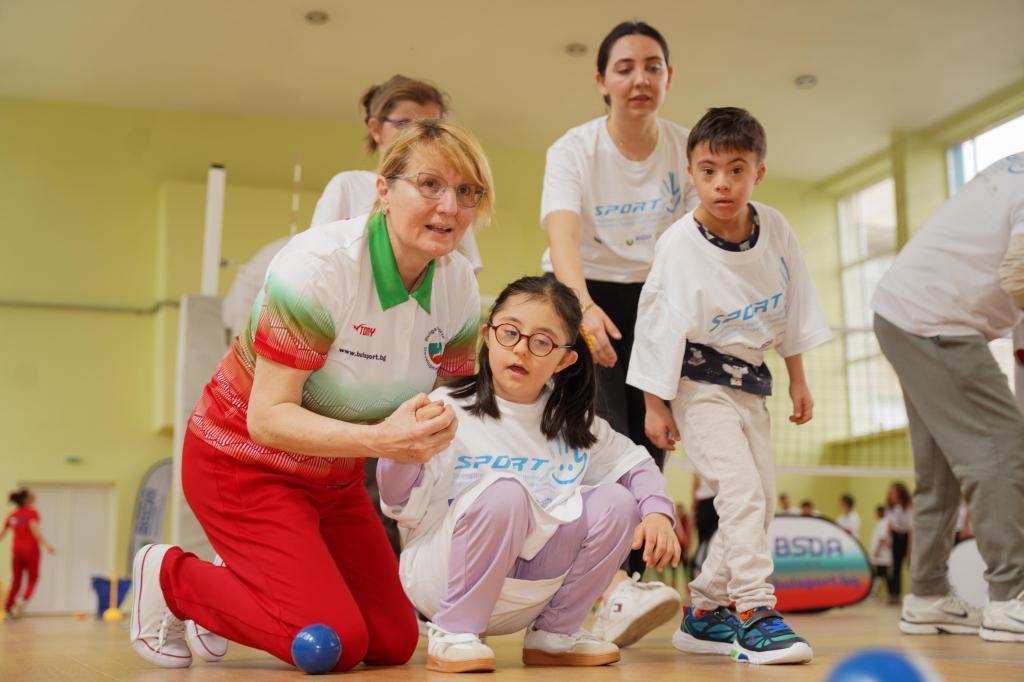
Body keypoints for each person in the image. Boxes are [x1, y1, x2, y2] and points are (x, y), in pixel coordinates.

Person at [128, 120, 495, 671]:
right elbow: (268, 419)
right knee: (335, 644)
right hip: (242, 463)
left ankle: (232, 592)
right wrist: (381, 440)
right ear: (383, 189)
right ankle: (172, 579)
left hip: (332, 479)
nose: (450, 207)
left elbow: (454, 406)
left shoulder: (458, 283)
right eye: (430, 184)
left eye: (467, 191)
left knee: (393, 642)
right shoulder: (320, 267)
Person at [378, 276, 681, 672]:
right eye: (510, 333)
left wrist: (658, 512)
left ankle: (555, 634)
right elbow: (396, 502)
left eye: (542, 342)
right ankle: (454, 632)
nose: (521, 349)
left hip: (526, 592)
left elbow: (635, 464)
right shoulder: (444, 408)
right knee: (506, 493)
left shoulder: (572, 422)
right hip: (442, 579)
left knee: (619, 502)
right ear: (488, 336)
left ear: (565, 360)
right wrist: (397, 449)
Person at [628, 107, 831, 665]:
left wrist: (798, 379)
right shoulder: (678, 244)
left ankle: (704, 611)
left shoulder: (776, 229)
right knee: (740, 495)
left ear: (758, 173)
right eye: (709, 170)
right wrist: (654, 405)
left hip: (753, 383)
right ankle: (755, 612)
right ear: (691, 173)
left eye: (736, 170)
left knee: (760, 505)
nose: (722, 183)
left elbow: (794, 306)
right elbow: (657, 325)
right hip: (698, 384)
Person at [540, 18, 696, 646]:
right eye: (625, 68)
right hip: (583, 289)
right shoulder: (573, 149)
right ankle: (602, 585)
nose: (640, 79)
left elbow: (695, 248)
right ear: (602, 80)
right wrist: (581, 307)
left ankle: (626, 584)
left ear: (668, 77)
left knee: (651, 438)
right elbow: (562, 234)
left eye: (652, 67)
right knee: (602, 432)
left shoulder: (685, 149)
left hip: (656, 296)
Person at [873, 153, 1024, 643]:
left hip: (904, 313)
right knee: (1002, 450)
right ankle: (1011, 597)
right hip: (937, 321)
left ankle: (928, 595)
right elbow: (1019, 274)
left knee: (938, 468)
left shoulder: (1015, 166)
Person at [2, 489, 54, 618]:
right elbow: (34, 530)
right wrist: (47, 545)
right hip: (31, 549)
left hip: (17, 550)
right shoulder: (31, 513)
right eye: (32, 497)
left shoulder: (12, 515)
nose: (34, 499)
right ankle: (23, 599)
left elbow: (2, 533)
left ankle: (8, 609)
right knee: (33, 577)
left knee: (16, 580)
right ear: (26, 500)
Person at [885, 482, 913, 604]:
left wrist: (909, 549)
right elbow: (890, 524)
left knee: (911, 567)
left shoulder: (909, 507)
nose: (891, 495)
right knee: (896, 568)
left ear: (900, 493)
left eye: (893, 492)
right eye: (890, 493)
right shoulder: (891, 508)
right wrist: (887, 538)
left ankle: (915, 593)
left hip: (907, 537)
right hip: (895, 536)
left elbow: (911, 529)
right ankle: (895, 595)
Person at [869, 505, 893, 599]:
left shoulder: (884, 523)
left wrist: (877, 551)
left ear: (880, 512)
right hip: (880, 553)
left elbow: (882, 538)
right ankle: (876, 593)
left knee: (882, 574)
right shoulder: (880, 523)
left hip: (882, 554)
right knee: (881, 574)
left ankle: (890, 594)